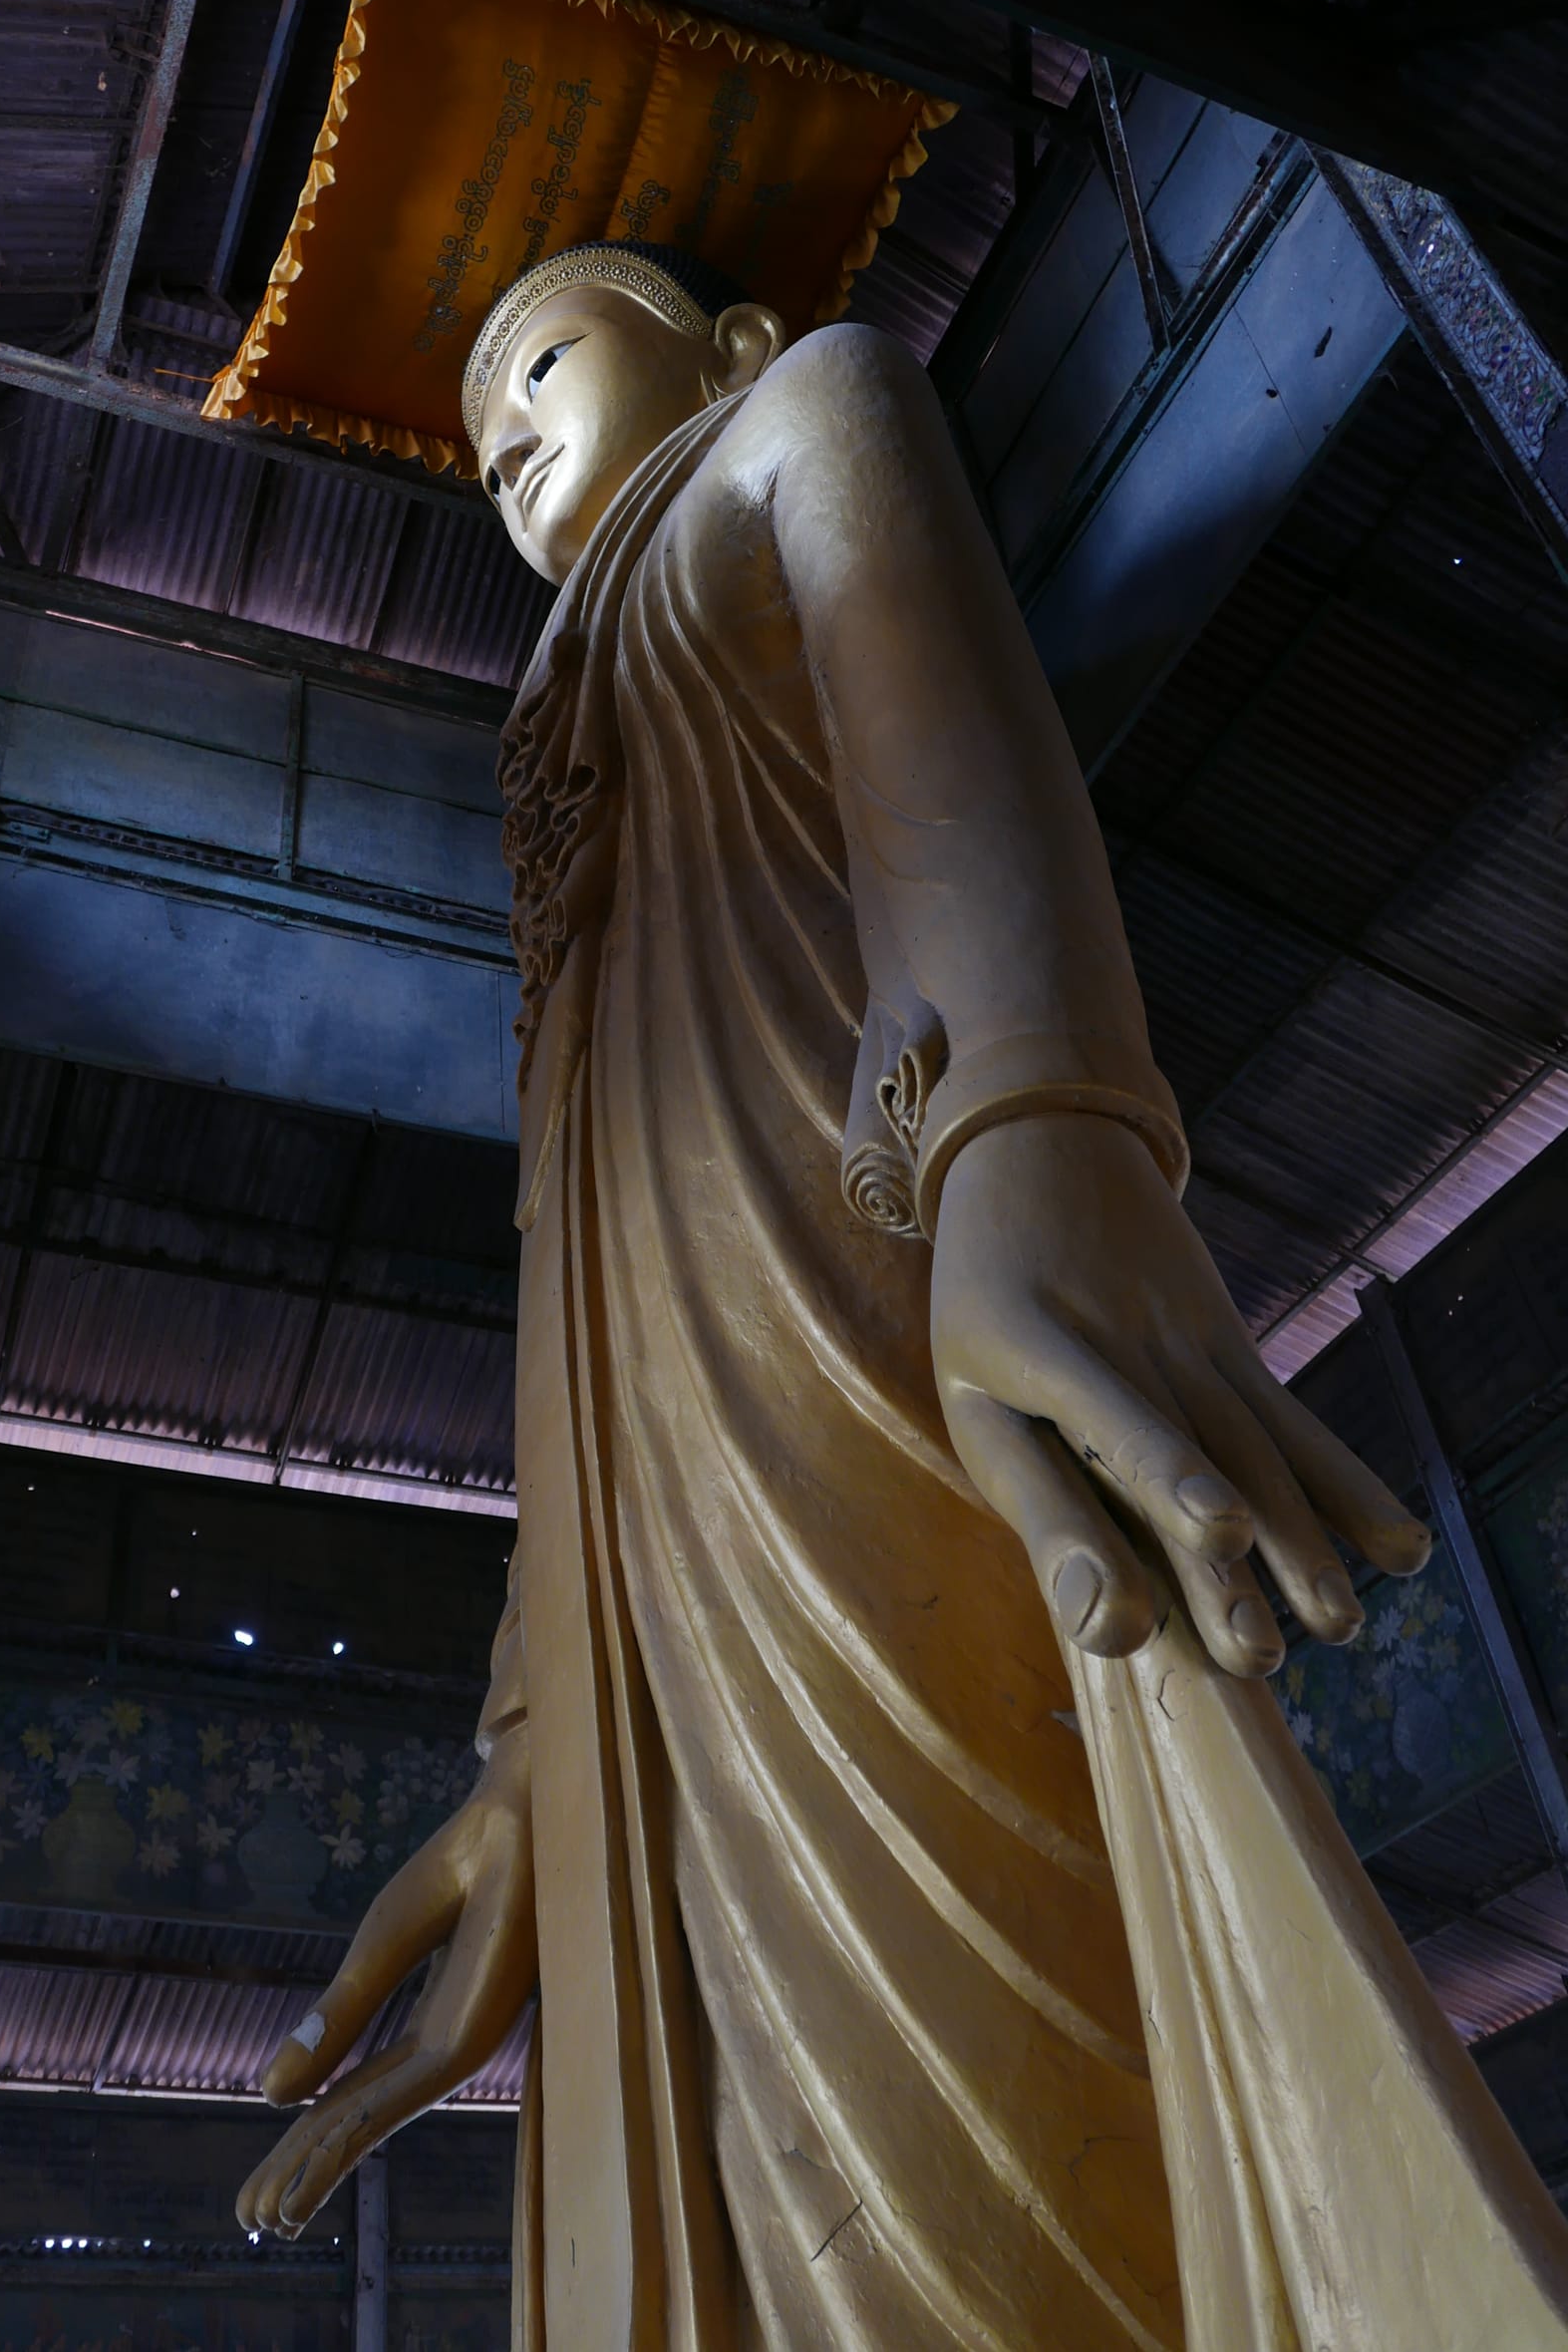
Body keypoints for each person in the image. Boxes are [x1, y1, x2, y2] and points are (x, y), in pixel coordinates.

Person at [235, 240, 1568, 2350]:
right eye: (476, 407)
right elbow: (560, 1290)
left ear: (722, 346)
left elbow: (952, 757)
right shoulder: (547, 745)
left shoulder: (805, 414)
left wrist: (1032, 1128)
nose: (495, 422)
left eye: (543, 347)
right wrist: (534, 1729)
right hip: (655, 1469)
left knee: (963, 1965)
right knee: (739, 2075)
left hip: (865, 1296)